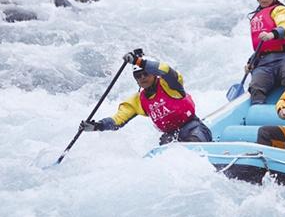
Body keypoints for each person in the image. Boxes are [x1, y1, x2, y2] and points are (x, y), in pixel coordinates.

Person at [79, 49, 212, 145]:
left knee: (192, 144)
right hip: (170, 136)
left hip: (193, 128)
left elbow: (165, 69)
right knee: (167, 149)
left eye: (145, 74)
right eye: (138, 76)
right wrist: (97, 126)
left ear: (154, 74)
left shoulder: (169, 85)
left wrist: (138, 61)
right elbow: (118, 120)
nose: (142, 78)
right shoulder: (137, 100)